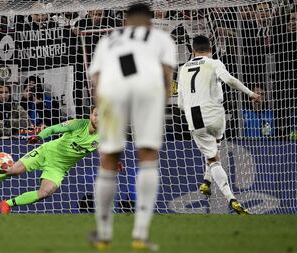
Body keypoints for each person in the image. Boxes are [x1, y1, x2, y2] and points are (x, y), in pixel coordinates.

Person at [88, 3, 176, 251]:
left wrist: (101, 106)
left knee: (109, 158)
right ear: (150, 21)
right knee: (148, 157)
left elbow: (96, 76)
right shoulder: (161, 38)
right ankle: (140, 234)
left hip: (113, 90)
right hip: (148, 89)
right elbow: (166, 74)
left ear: (126, 21)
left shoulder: (110, 38)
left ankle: (104, 234)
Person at [0, 106, 99, 213]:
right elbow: (53, 129)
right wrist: (40, 136)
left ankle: (7, 204)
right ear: (90, 115)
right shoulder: (79, 124)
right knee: (13, 170)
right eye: (96, 114)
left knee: (45, 192)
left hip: (59, 168)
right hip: (45, 152)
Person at [178, 35, 261, 214]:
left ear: (193, 51)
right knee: (216, 143)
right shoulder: (214, 63)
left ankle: (230, 197)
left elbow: (179, 103)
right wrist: (250, 94)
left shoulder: (183, 68)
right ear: (211, 50)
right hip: (215, 115)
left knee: (213, 160)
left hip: (194, 118)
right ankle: (207, 181)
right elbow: (229, 80)